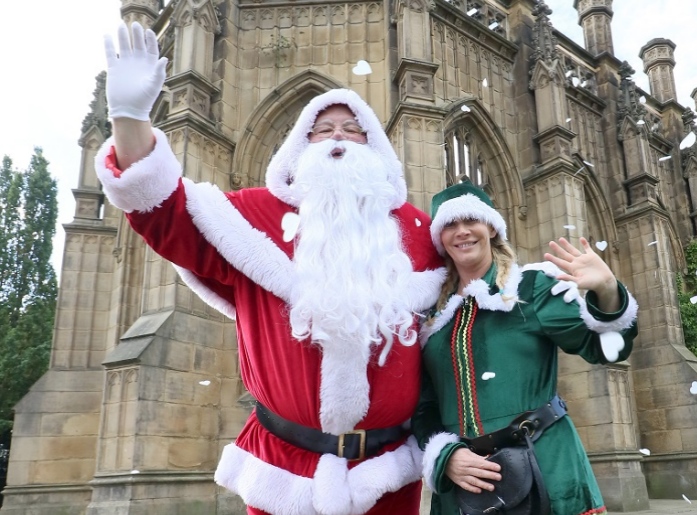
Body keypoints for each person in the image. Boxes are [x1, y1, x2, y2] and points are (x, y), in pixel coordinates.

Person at [96, 22, 445, 515]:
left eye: (352, 129)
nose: (337, 139)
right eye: (323, 131)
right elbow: (165, 212)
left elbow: (481, 291)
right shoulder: (254, 216)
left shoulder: (416, 230)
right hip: (282, 474)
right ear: (301, 148)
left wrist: (592, 298)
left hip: (387, 475)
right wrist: (130, 118)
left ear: (376, 150)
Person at [412, 182, 639, 515]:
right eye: (450, 224)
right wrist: (445, 457)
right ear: (440, 239)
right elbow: (423, 405)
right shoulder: (432, 320)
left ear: (491, 227)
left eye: (470, 220)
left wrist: (607, 292)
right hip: (466, 486)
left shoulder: (532, 287)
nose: (461, 231)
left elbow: (607, 350)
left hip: (547, 467)